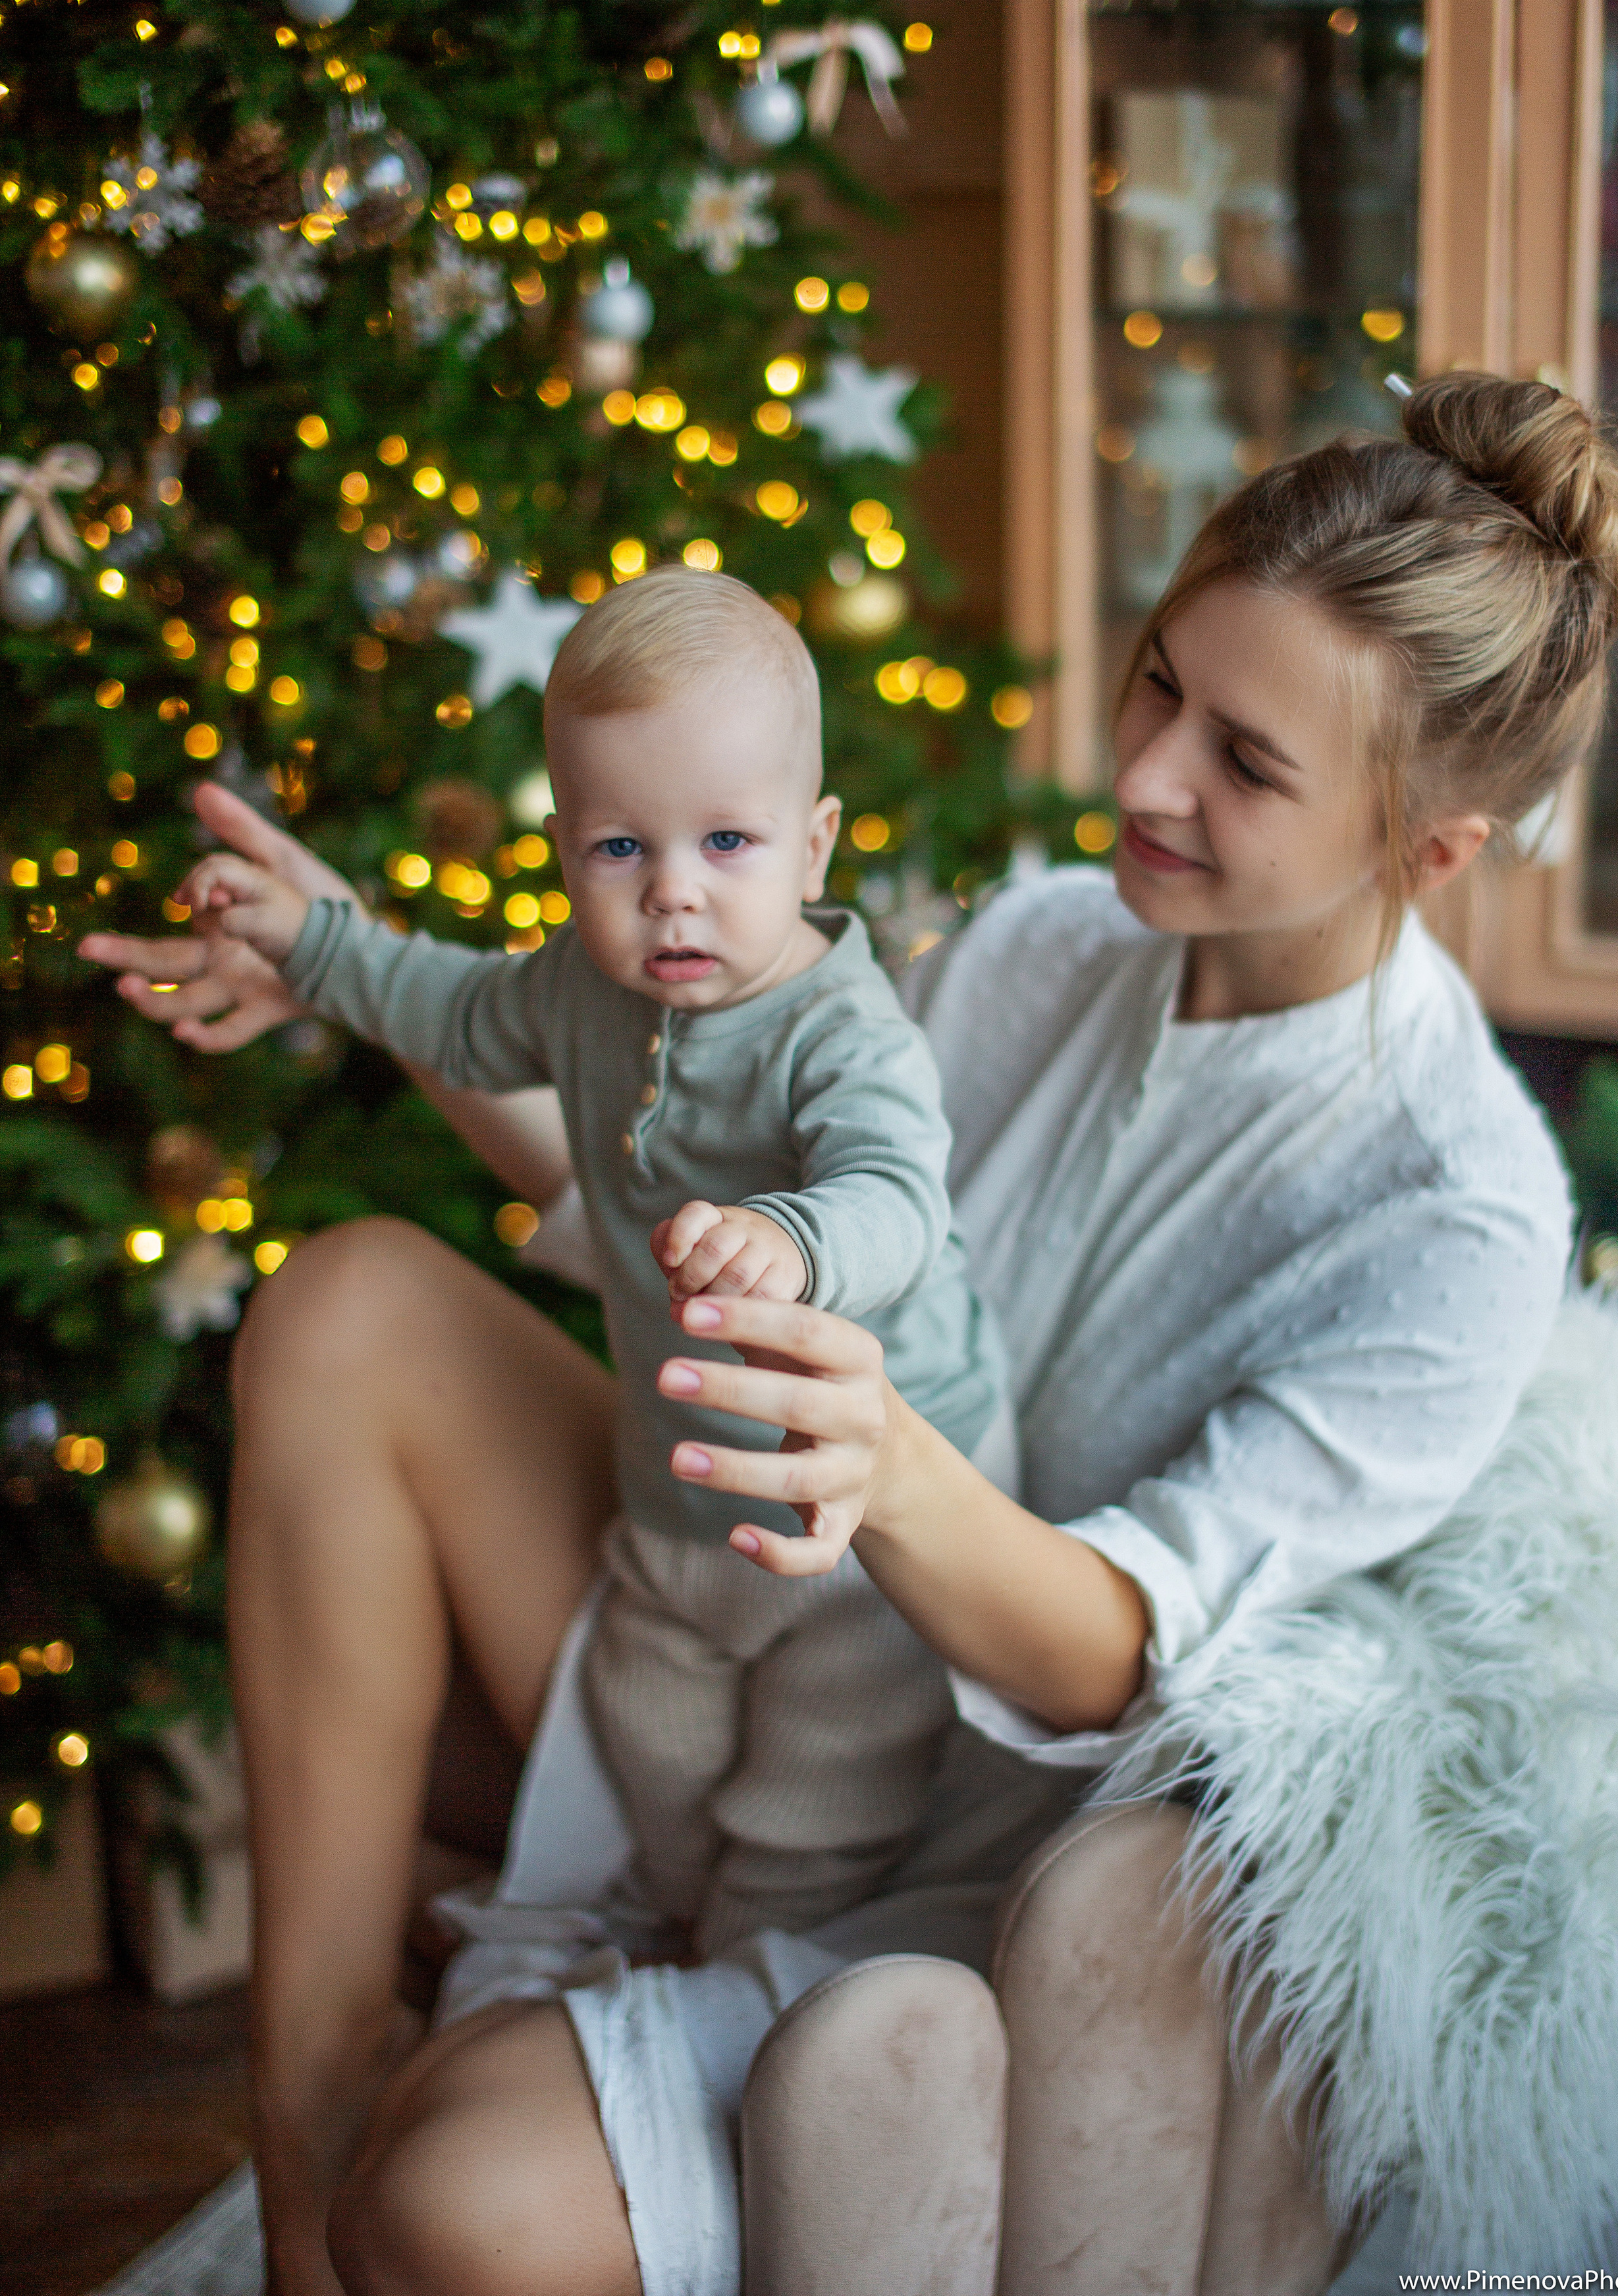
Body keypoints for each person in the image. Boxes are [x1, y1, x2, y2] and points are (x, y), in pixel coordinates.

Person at [81, 373, 1618, 2296]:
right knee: (353, 1306)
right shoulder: (1052, 941)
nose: (1145, 776)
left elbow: (1108, 1667)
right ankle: (303, 2076)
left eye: (1248, 762)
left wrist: (888, 1463)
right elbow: (672, 1171)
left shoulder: (1456, 1214)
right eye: (1161, 686)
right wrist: (349, 959)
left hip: (957, 1862)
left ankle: (518, 2056)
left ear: (1435, 849)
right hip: (714, 1595)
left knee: (455, 2209)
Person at [165, 569, 1010, 1963]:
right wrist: (305, 941)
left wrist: (795, 1239)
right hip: (674, 1497)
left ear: (814, 847)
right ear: (563, 847)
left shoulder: (840, 1034)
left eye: (725, 842)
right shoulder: (577, 986)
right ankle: (685, 1917)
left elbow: (896, 1202)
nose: (671, 896)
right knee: (651, 1740)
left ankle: (754, 1982)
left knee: (811, 1803)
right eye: (619, 849)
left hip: (856, 1531)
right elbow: (439, 1001)